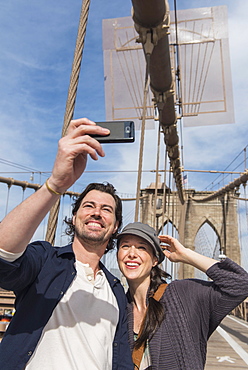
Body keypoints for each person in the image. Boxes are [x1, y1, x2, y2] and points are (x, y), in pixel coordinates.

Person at [0, 118, 133, 370]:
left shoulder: (116, 291)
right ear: (74, 217)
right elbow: (2, 256)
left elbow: (121, 361)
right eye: (88, 206)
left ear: (115, 226)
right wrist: (56, 185)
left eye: (106, 210)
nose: (96, 213)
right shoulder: (44, 261)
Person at [116, 222, 248, 370]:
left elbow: (240, 284)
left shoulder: (182, 294)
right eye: (125, 246)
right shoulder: (118, 308)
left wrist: (186, 254)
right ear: (118, 256)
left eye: (141, 247)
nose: (132, 253)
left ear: (155, 260)